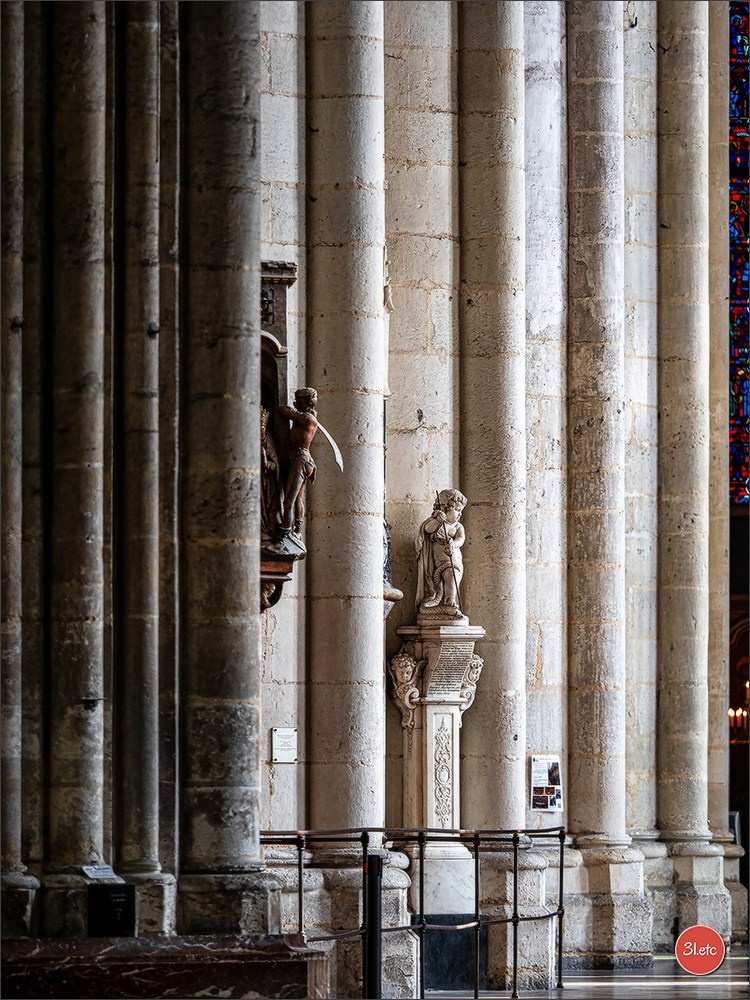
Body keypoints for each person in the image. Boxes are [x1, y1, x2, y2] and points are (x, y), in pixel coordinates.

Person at [415, 488, 467, 617]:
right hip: (437, 564)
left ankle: (450, 601)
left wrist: (453, 544)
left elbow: (461, 539)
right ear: (445, 508)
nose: (459, 514)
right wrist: (438, 520)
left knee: (452, 577)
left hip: (454, 561)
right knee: (441, 584)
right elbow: (426, 529)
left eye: (461, 511)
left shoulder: (457, 526)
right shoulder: (436, 522)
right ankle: (443, 602)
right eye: (458, 510)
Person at [278, 387, 319, 537]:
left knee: (289, 499)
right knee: (297, 499)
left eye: (299, 401)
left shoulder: (306, 418)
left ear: (308, 402)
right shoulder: (308, 415)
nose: (296, 403)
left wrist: (293, 410)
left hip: (300, 460)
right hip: (300, 459)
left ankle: (284, 535)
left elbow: (282, 410)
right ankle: (297, 530)